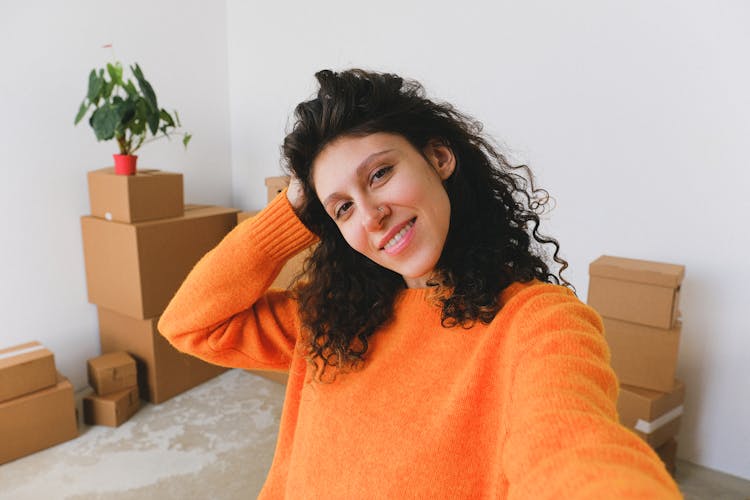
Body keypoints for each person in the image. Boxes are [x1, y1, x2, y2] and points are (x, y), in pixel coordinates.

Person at [158, 69, 681, 499]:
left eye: (380, 174)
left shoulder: (536, 323)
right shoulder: (326, 317)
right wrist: (295, 210)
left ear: (439, 158)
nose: (372, 215)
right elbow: (190, 324)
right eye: (342, 207)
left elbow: (574, 449)